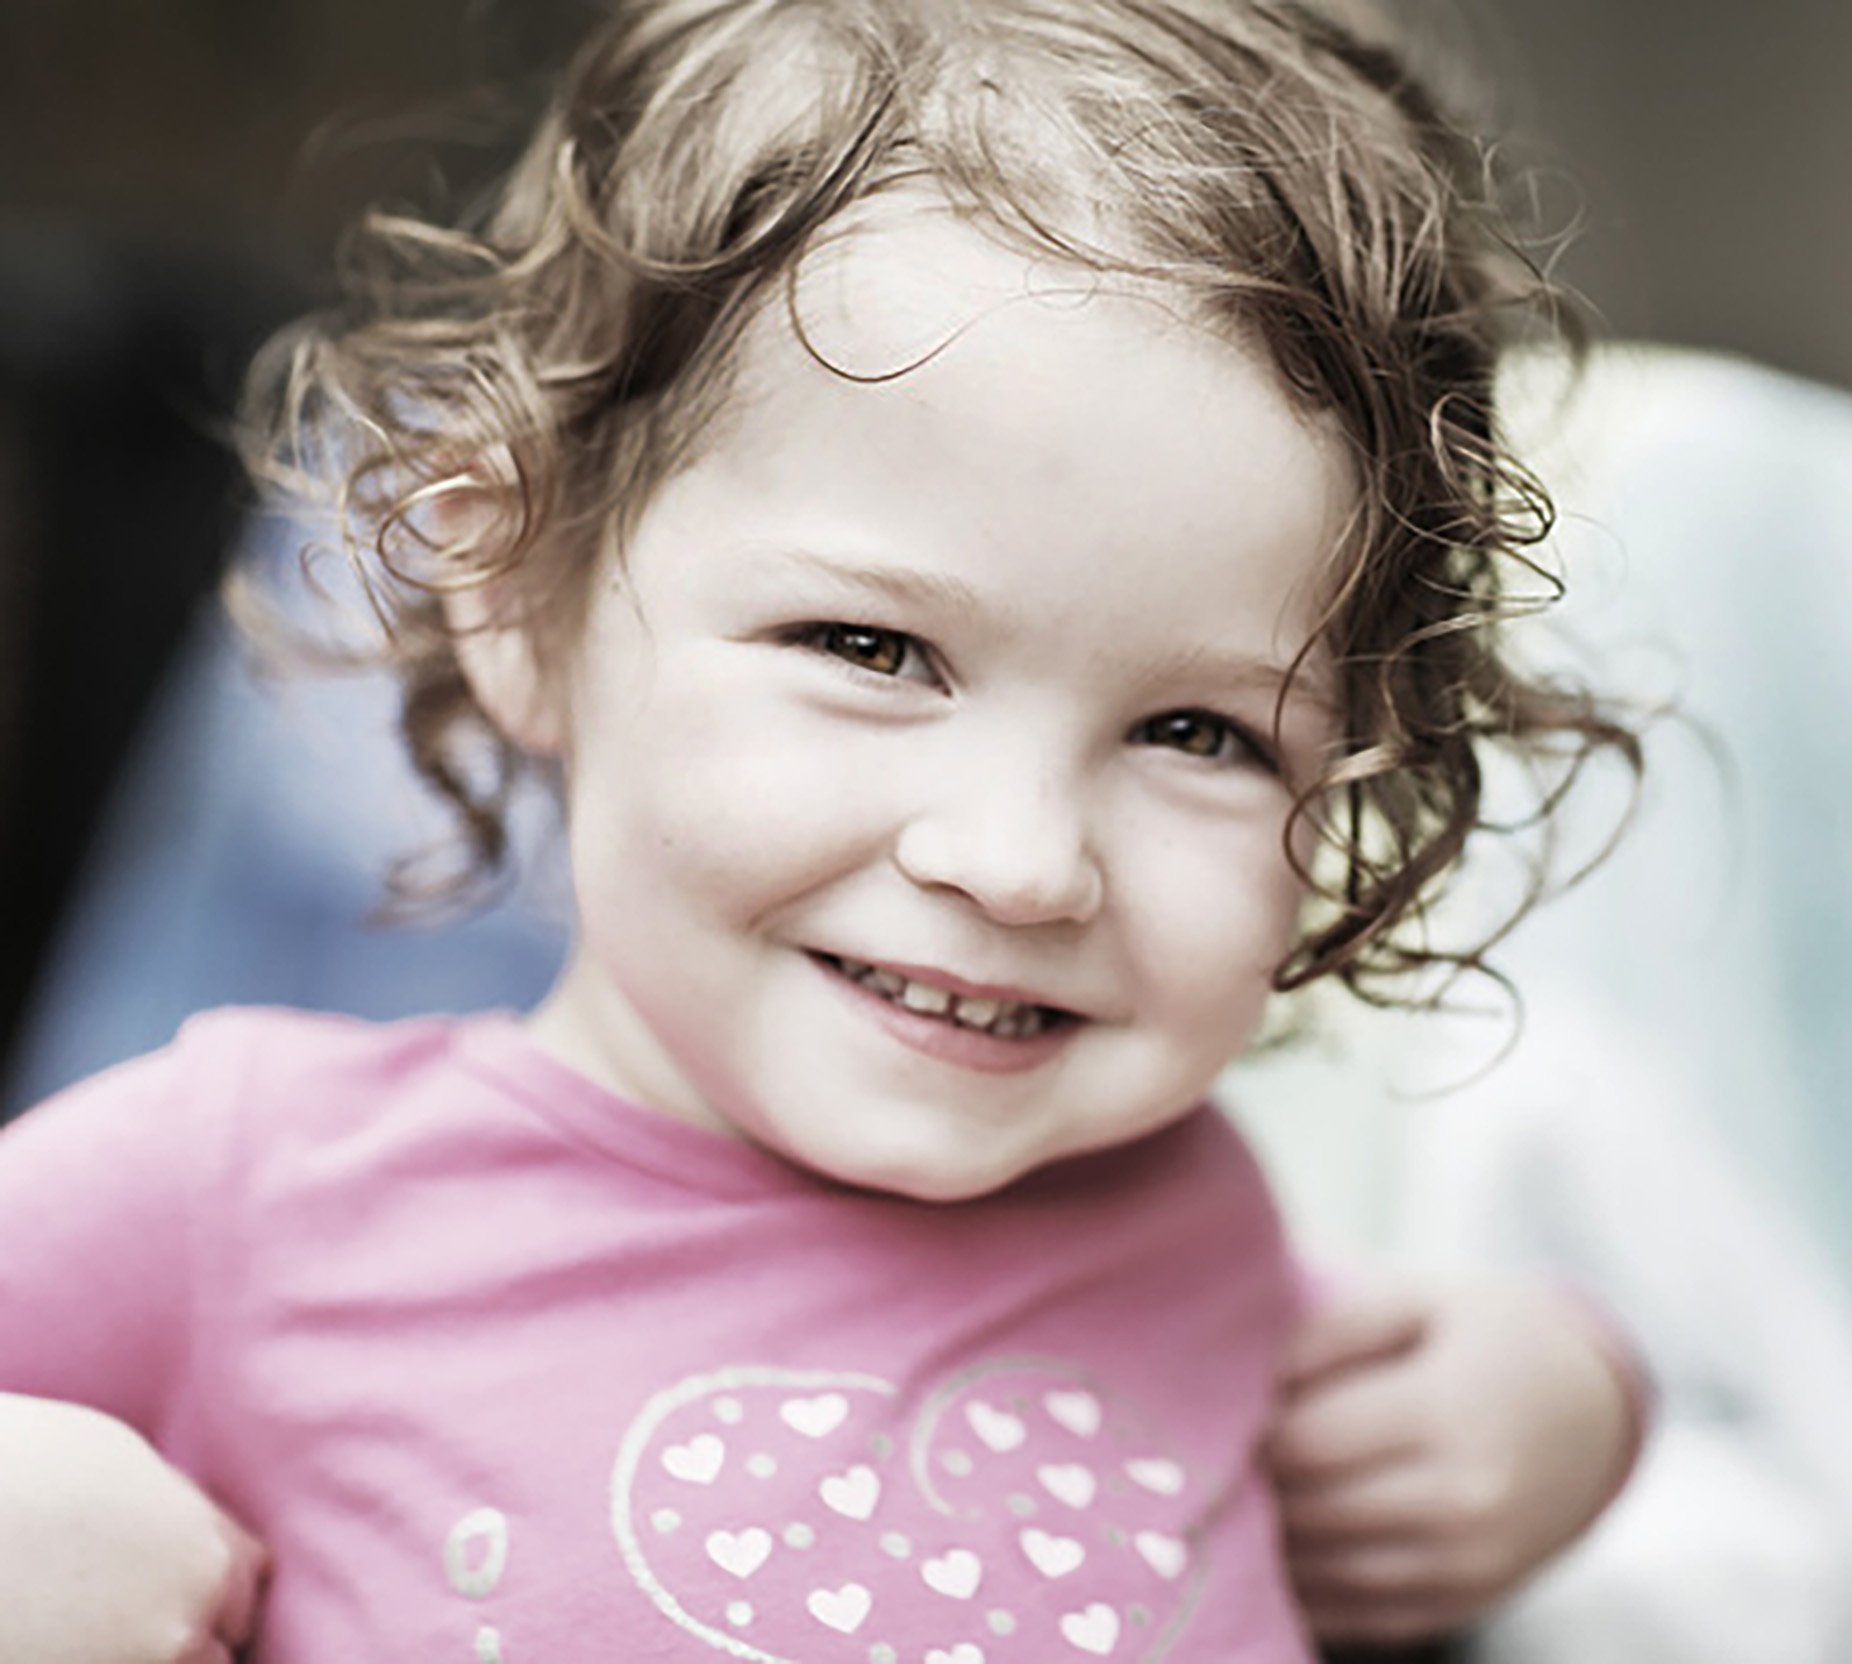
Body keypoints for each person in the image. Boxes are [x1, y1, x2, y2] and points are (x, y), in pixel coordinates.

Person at [0, 1, 1649, 1658]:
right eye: (871, 650)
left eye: (1201, 733)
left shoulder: (1186, 1219)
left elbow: (1421, 1389)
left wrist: (1564, 1402)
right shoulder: (249, 1191)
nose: (1016, 860)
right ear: (511, 586)